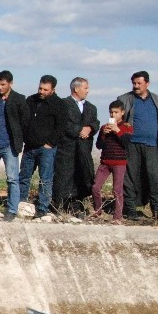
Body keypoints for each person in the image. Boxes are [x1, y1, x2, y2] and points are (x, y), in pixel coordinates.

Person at [118, 71, 158, 220]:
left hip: (152, 145)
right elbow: (115, 117)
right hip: (131, 144)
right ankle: (130, 209)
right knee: (130, 177)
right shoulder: (124, 99)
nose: (136, 86)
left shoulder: (157, 100)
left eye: (139, 83)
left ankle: (157, 209)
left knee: (155, 178)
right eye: (134, 83)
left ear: (147, 83)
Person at [0, 70, 29, 221]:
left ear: (10, 84)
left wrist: (19, 140)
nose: (0, 87)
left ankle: (12, 209)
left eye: (3, 84)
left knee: (12, 178)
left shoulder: (20, 99)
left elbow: (24, 121)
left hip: (9, 145)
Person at [19, 75, 67, 218]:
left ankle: (42, 208)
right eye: (40, 88)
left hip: (46, 148)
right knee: (24, 176)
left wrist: (50, 143)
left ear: (53, 89)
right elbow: (24, 120)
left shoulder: (59, 104)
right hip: (29, 146)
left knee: (45, 179)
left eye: (45, 89)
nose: (41, 91)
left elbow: (61, 126)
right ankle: (21, 204)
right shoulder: (31, 100)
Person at [53, 77, 100, 216]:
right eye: (85, 88)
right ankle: (60, 204)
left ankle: (77, 203)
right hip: (67, 149)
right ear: (76, 88)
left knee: (83, 176)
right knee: (64, 176)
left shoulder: (91, 107)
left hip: (84, 149)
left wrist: (90, 128)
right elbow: (62, 124)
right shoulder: (63, 104)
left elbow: (95, 122)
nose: (87, 91)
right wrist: (79, 130)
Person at [90, 100, 133, 224]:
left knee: (117, 190)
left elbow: (127, 143)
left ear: (122, 112)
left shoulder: (127, 127)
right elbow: (99, 145)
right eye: (111, 112)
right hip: (105, 162)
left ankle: (117, 217)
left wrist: (117, 131)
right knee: (95, 187)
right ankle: (97, 211)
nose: (113, 115)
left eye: (116, 112)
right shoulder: (105, 127)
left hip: (119, 163)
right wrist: (103, 134)